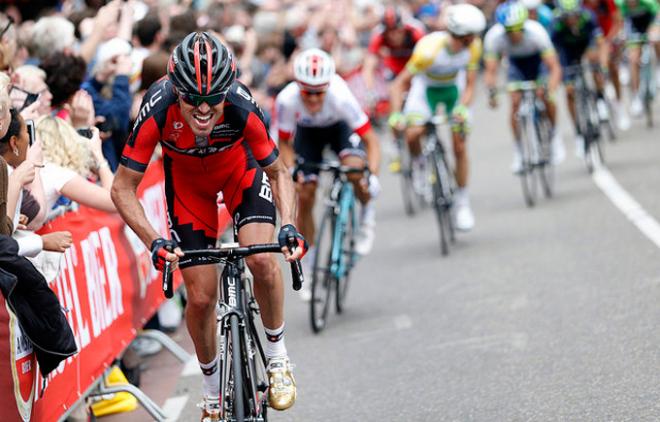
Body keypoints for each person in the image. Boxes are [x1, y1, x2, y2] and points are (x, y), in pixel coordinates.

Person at [111, 32, 306, 420]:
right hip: (188, 190)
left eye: (212, 99)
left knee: (263, 261)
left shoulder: (239, 103)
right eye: (192, 100)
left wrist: (289, 225)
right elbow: (122, 188)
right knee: (200, 298)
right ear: (175, 90)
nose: (203, 110)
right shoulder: (158, 106)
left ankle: (278, 359)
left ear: (227, 89)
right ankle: (213, 392)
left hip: (240, 176)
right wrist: (155, 242)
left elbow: (279, 172)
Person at [276, 48, 381, 282]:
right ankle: (311, 266)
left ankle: (367, 215)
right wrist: (293, 171)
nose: (313, 99)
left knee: (354, 170)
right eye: (307, 92)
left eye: (319, 93)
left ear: (328, 87)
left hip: (339, 129)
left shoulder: (341, 96)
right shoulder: (287, 99)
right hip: (308, 135)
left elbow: (371, 140)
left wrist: (371, 175)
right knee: (304, 194)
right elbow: (284, 143)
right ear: (298, 86)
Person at [388, 4, 486, 232]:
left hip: (453, 89)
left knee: (459, 145)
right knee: (412, 134)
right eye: (471, 37)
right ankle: (420, 165)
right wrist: (395, 114)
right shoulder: (428, 50)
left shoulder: (474, 47)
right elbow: (399, 84)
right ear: (460, 35)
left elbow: (471, 84)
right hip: (426, 90)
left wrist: (462, 108)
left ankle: (462, 202)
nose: (474, 40)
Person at [484, 1, 564, 173]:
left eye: (517, 29)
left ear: (524, 25)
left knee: (547, 98)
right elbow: (491, 70)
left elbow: (554, 67)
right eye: (509, 30)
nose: (514, 35)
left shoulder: (536, 32)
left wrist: (551, 88)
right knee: (514, 103)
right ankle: (519, 152)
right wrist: (491, 93)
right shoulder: (494, 37)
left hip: (537, 63)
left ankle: (554, 137)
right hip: (516, 65)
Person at [550, 0, 609, 157]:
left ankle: (600, 98)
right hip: (566, 53)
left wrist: (603, 67)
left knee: (594, 61)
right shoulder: (556, 23)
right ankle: (578, 132)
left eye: (574, 16)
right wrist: (561, 75)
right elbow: (553, 54)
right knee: (569, 92)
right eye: (567, 17)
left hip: (586, 45)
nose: (572, 20)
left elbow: (601, 43)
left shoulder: (588, 16)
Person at [583, 0, 628, 130]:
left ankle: (619, 106)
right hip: (593, 39)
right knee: (593, 63)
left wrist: (609, 39)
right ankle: (600, 97)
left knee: (613, 68)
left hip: (609, 35)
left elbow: (617, 22)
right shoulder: (582, 5)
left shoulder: (608, 2)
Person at [614, 0, 659, 117]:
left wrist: (654, 29)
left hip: (649, 24)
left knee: (657, 40)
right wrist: (622, 34)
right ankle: (636, 96)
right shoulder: (621, 5)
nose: (631, 2)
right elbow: (621, 22)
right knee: (633, 59)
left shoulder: (648, 3)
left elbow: (657, 17)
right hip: (634, 29)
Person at [363, 6, 425, 90]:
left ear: (403, 28)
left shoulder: (415, 32)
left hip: (415, 68)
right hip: (394, 70)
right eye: (389, 32)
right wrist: (369, 91)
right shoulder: (379, 36)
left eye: (397, 30)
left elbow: (428, 55)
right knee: (393, 88)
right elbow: (369, 65)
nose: (393, 36)